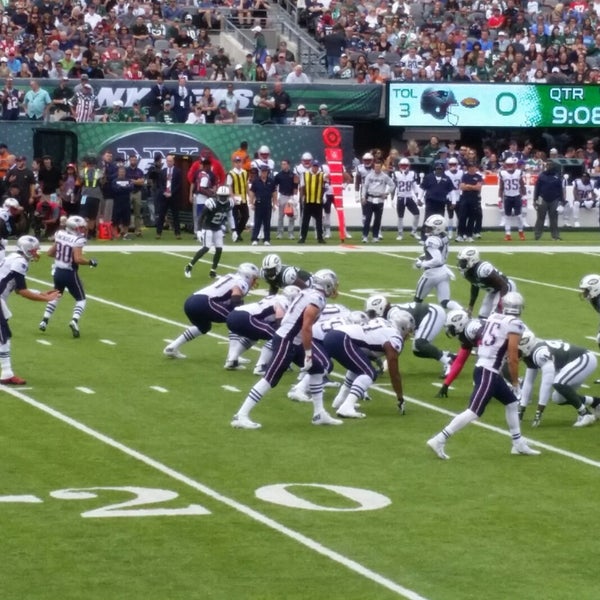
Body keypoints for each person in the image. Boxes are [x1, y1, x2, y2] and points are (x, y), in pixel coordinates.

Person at [427, 292, 540, 460]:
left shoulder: (494, 317)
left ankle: (518, 443)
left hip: (486, 367)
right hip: (489, 371)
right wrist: (515, 382)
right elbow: (513, 356)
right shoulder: (515, 324)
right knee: (474, 412)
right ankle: (440, 438)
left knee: (511, 403)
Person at [230, 269, 341, 430]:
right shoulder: (317, 298)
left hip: (291, 339)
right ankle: (241, 415)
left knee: (317, 369)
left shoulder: (309, 293)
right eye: (333, 284)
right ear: (327, 284)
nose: (335, 287)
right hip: (287, 340)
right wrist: (308, 354)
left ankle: (319, 413)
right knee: (270, 378)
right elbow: (306, 327)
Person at [326, 312, 415, 418]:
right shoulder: (395, 336)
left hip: (334, 335)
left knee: (360, 367)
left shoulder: (383, 322)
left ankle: (340, 400)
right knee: (369, 373)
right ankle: (346, 407)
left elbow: (368, 343)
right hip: (343, 338)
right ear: (403, 327)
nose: (408, 336)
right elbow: (393, 369)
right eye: (408, 331)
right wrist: (400, 397)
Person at [163, 262, 260, 359]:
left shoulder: (230, 276)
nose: (255, 282)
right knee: (235, 319)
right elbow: (235, 296)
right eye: (254, 278)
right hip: (204, 302)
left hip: (191, 301)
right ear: (247, 276)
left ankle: (172, 347)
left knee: (203, 327)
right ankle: (232, 356)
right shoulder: (241, 282)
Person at [0, 236, 60, 384]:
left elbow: (18, 290)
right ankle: (7, 373)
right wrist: (45, 299)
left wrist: (41, 293)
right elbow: (23, 291)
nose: (36, 253)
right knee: (3, 336)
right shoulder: (20, 262)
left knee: (3, 336)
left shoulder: (13, 257)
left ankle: (7, 372)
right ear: (27, 250)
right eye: (34, 250)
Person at [518, 330, 600, 428]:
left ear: (526, 346)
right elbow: (528, 382)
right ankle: (596, 402)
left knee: (559, 382)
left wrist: (539, 411)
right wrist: (521, 409)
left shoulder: (539, 353)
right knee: (558, 398)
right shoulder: (529, 355)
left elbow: (547, 382)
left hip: (584, 358)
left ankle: (585, 414)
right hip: (574, 363)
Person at [39, 216, 98, 338]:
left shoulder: (59, 234)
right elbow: (78, 259)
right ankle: (74, 321)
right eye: (81, 228)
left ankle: (44, 320)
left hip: (58, 271)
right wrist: (90, 262)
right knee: (81, 299)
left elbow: (50, 253)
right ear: (74, 228)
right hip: (69, 272)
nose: (83, 230)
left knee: (56, 295)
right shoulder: (78, 239)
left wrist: (61, 256)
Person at [224, 285, 300, 370]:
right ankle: (261, 366)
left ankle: (232, 360)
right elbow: (279, 316)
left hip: (234, 315)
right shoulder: (284, 301)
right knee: (279, 336)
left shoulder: (275, 297)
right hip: (245, 317)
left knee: (253, 336)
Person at [414, 214, 462, 311]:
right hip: (444, 272)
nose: (427, 230)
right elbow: (438, 254)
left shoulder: (431, 240)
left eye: (430, 228)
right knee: (445, 302)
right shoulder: (444, 236)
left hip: (431, 274)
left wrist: (422, 264)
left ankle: (413, 321)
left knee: (417, 300)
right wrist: (423, 256)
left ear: (437, 228)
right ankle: (461, 311)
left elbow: (437, 259)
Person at [184, 186, 234, 279]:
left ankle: (213, 271)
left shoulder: (229, 204)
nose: (223, 198)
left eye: (225, 196)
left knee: (219, 249)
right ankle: (189, 267)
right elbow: (201, 217)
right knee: (206, 248)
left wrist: (234, 230)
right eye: (221, 196)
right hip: (207, 227)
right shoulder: (211, 203)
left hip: (217, 227)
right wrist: (198, 230)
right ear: (217, 195)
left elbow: (230, 216)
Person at [436, 310, 486, 398]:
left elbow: (485, 346)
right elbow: (459, 362)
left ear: (459, 324)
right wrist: (446, 384)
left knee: (481, 370)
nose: (449, 330)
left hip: (503, 342)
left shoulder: (470, 330)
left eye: (451, 327)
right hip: (496, 344)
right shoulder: (467, 331)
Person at [457, 247, 517, 318]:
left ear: (472, 260)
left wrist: (500, 303)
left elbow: (503, 285)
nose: (461, 264)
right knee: (483, 315)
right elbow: (475, 285)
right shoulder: (466, 272)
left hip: (505, 287)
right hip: (493, 290)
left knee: (495, 315)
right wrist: (471, 306)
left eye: (463, 261)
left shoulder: (482, 269)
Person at [360, 158, 393, 243]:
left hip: (379, 200)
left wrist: (386, 193)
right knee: (368, 218)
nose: (377, 168)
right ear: (374, 167)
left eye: (378, 166)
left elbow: (392, 185)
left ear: (381, 167)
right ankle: (365, 236)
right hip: (370, 198)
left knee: (377, 219)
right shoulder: (369, 175)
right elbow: (365, 187)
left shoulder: (384, 176)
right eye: (376, 166)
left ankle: (375, 236)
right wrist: (363, 197)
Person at [420, 162, 455, 241]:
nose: (439, 170)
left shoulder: (447, 178)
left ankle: (438, 237)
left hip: (441, 202)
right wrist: (419, 199)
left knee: (439, 220)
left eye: (440, 169)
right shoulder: (428, 177)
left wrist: (454, 202)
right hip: (430, 201)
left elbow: (451, 191)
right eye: (437, 169)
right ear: (434, 169)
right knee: (427, 219)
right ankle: (424, 237)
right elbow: (422, 189)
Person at [533, 160, 565, 241]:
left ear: (553, 166)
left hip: (554, 199)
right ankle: (537, 235)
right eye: (548, 165)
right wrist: (535, 199)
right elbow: (537, 188)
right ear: (546, 166)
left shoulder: (557, 176)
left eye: (550, 165)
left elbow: (560, 190)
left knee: (554, 218)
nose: (549, 166)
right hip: (541, 198)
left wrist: (562, 201)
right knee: (540, 217)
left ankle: (555, 236)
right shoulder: (541, 176)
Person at [391, 158, 421, 240]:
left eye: (405, 165)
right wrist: (392, 199)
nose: (404, 167)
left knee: (417, 213)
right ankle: (400, 234)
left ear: (409, 166)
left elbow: (415, 186)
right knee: (400, 216)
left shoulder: (412, 174)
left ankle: (414, 231)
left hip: (409, 197)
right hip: (400, 197)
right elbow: (393, 186)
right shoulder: (396, 174)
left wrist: (418, 197)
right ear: (399, 166)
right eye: (402, 165)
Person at [498, 157, 527, 241]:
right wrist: (499, 197)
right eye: (508, 165)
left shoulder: (519, 172)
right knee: (507, 216)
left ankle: (521, 232)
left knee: (519, 215)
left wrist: (524, 195)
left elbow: (522, 185)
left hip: (517, 196)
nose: (510, 166)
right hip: (507, 197)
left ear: (514, 165)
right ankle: (508, 234)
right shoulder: (502, 173)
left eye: (511, 164)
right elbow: (501, 187)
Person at [298, 160, 327, 244]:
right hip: (308, 201)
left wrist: (323, 196)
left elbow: (325, 186)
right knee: (305, 221)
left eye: (316, 166)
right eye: (314, 166)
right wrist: (302, 198)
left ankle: (320, 237)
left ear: (318, 167)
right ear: (311, 166)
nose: (315, 168)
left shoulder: (322, 175)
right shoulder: (305, 174)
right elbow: (302, 187)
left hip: (318, 201)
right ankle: (303, 237)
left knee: (319, 221)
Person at [155, 154, 182, 240]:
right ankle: (158, 233)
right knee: (161, 215)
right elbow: (160, 184)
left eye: (170, 161)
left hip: (174, 196)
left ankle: (177, 233)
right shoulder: (163, 171)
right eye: (167, 161)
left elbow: (179, 184)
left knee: (175, 215)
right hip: (164, 197)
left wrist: (171, 193)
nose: (169, 162)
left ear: (173, 162)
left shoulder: (178, 171)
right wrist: (164, 192)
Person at [249, 164, 277, 246]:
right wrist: (251, 203)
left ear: (268, 172)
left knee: (267, 223)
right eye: (262, 171)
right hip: (258, 204)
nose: (264, 173)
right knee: (257, 222)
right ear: (261, 172)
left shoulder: (271, 181)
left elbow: (274, 193)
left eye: (265, 171)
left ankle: (266, 239)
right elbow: (252, 192)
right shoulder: (256, 181)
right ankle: (255, 239)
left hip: (268, 204)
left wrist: (275, 203)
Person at [456, 161, 484, 242]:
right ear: (468, 168)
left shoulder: (478, 176)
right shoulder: (464, 176)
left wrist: (468, 186)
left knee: (472, 218)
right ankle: (460, 234)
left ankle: (469, 235)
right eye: (471, 167)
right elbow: (462, 187)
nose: (473, 169)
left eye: (474, 167)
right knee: (462, 217)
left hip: (474, 198)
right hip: (465, 198)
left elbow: (478, 187)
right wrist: (472, 187)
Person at [226, 156, 249, 243]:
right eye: (236, 162)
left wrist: (249, 196)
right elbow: (230, 186)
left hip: (243, 198)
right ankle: (236, 234)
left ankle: (237, 233)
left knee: (246, 216)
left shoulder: (245, 172)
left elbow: (246, 185)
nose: (238, 164)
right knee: (235, 217)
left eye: (239, 162)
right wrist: (232, 197)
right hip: (235, 198)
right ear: (234, 163)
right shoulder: (231, 173)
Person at [273, 158, 297, 240]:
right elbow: (275, 188)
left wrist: (294, 197)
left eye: (284, 164)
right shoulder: (278, 175)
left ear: (288, 165)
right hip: (282, 196)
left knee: (291, 216)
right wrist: (275, 199)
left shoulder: (293, 175)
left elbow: (295, 187)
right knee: (281, 216)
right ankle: (280, 233)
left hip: (290, 196)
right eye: (282, 164)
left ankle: (291, 233)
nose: (283, 165)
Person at [111, 166, 134, 239]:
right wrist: (124, 188)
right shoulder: (114, 181)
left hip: (126, 202)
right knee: (115, 219)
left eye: (123, 172)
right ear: (118, 172)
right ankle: (115, 235)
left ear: (125, 173)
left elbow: (131, 188)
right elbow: (115, 189)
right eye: (120, 172)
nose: (122, 173)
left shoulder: (129, 180)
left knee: (126, 219)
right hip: (117, 202)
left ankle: (125, 234)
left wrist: (121, 187)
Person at [125, 154, 145, 237]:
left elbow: (142, 182)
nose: (133, 161)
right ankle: (126, 229)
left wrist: (133, 181)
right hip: (128, 193)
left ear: (136, 161)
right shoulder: (126, 170)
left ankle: (138, 230)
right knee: (126, 212)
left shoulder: (140, 171)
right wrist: (137, 181)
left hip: (137, 193)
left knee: (137, 213)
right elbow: (125, 181)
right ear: (129, 160)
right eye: (132, 159)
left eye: (135, 159)